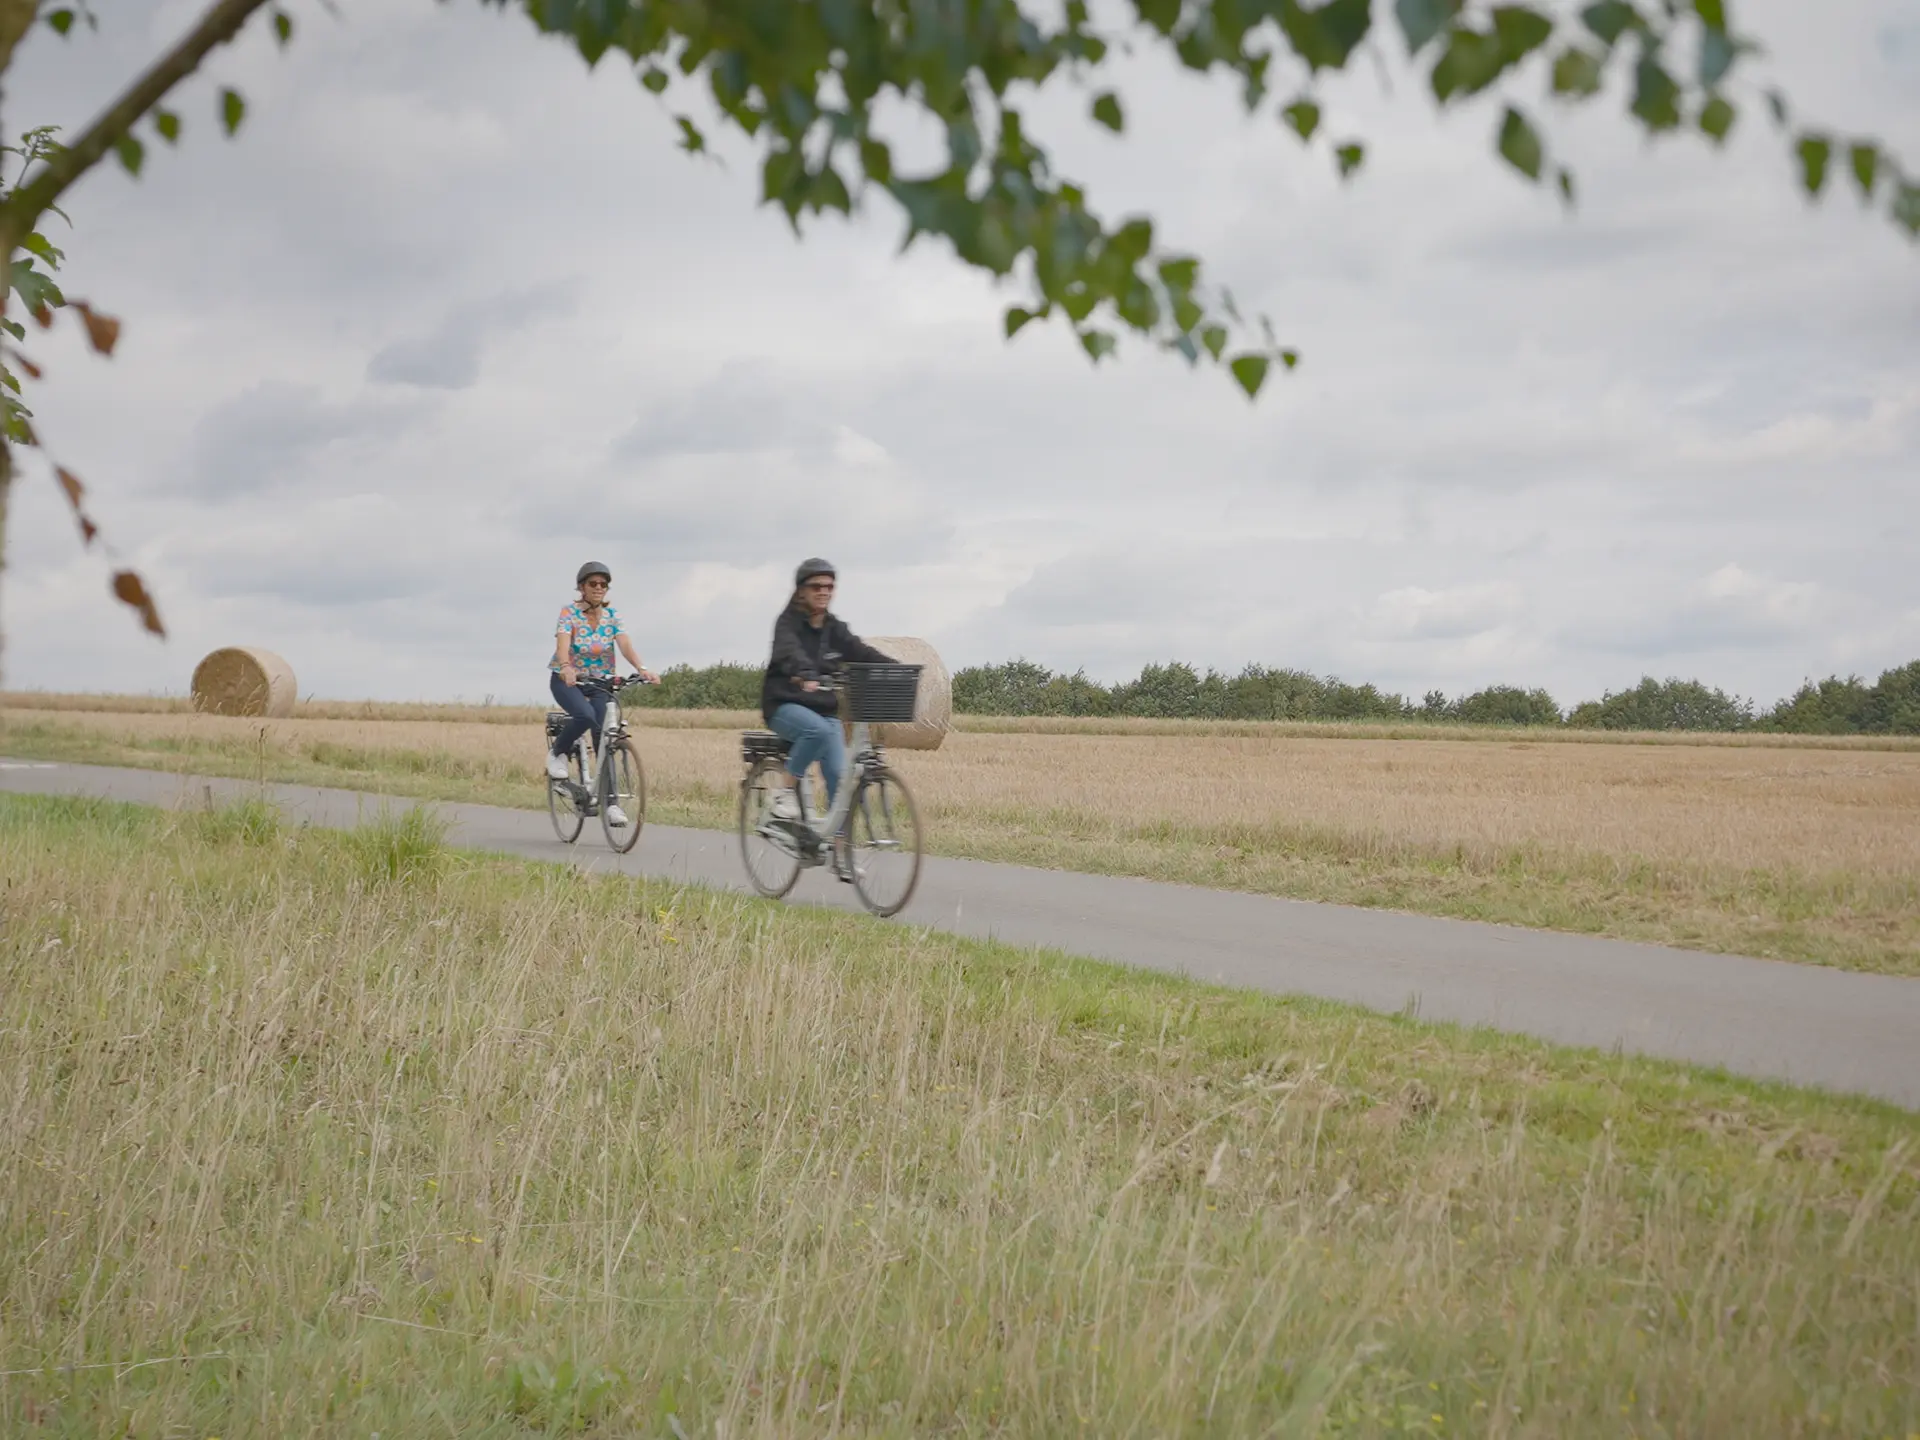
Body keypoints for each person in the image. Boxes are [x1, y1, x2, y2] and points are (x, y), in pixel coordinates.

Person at [760, 557, 893, 829]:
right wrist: (805, 672)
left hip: (823, 707)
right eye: (817, 586)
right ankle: (783, 792)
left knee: (839, 776)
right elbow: (789, 651)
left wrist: (894, 667)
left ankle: (839, 848)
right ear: (801, 590)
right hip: (784, 704)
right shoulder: (787, 624)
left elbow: (860, 651)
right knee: (816, 731)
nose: (824, 591)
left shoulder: (835, 628)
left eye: (830, 586)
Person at [547, 560, 656, 827]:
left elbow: (625, 644)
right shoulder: (569, 613)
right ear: (582, 587)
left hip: (599, 682)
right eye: (593, 584)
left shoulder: (612, 616)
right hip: (568, 680)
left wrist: (642, 669)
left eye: (603, 585)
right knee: (584, 716)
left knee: (605, 737)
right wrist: (565, 667)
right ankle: (557, 753)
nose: (599, 588)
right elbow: (563, 643)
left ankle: (612, 805)